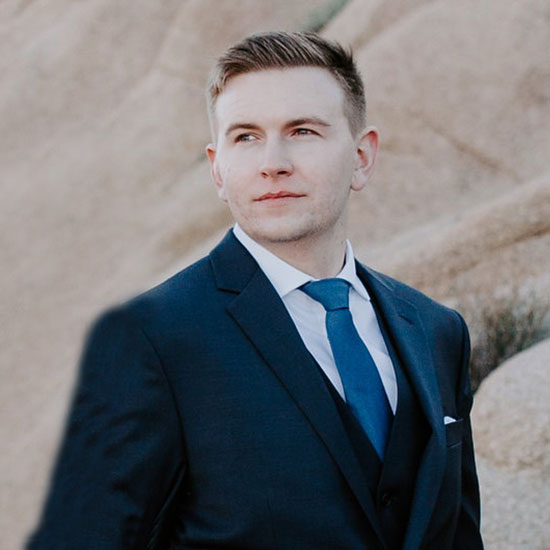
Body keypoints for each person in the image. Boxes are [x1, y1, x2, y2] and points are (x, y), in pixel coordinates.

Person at [28, 31, 483, 549]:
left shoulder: (436, 330)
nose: (273, 162)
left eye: (302, 131)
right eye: (245, 137)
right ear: (217, 169)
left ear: (361, 157)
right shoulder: (150, 339)